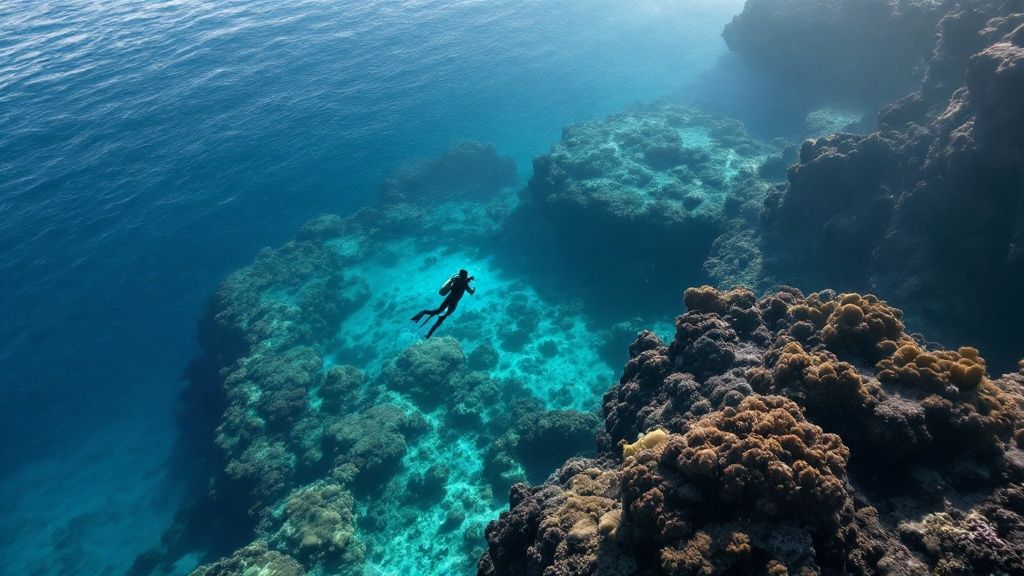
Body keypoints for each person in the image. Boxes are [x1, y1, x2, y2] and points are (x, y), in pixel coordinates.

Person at [411, 269, 475, 338]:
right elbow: (470, 292)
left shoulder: (456, 279)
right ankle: (428, 334)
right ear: (465, 275)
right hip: (453, 302)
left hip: (448, 298)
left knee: (437, 311)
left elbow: (462, 280)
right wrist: (473, 289)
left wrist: (469, 279)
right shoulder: (465, 283)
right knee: (441, 318)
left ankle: (421, 314)